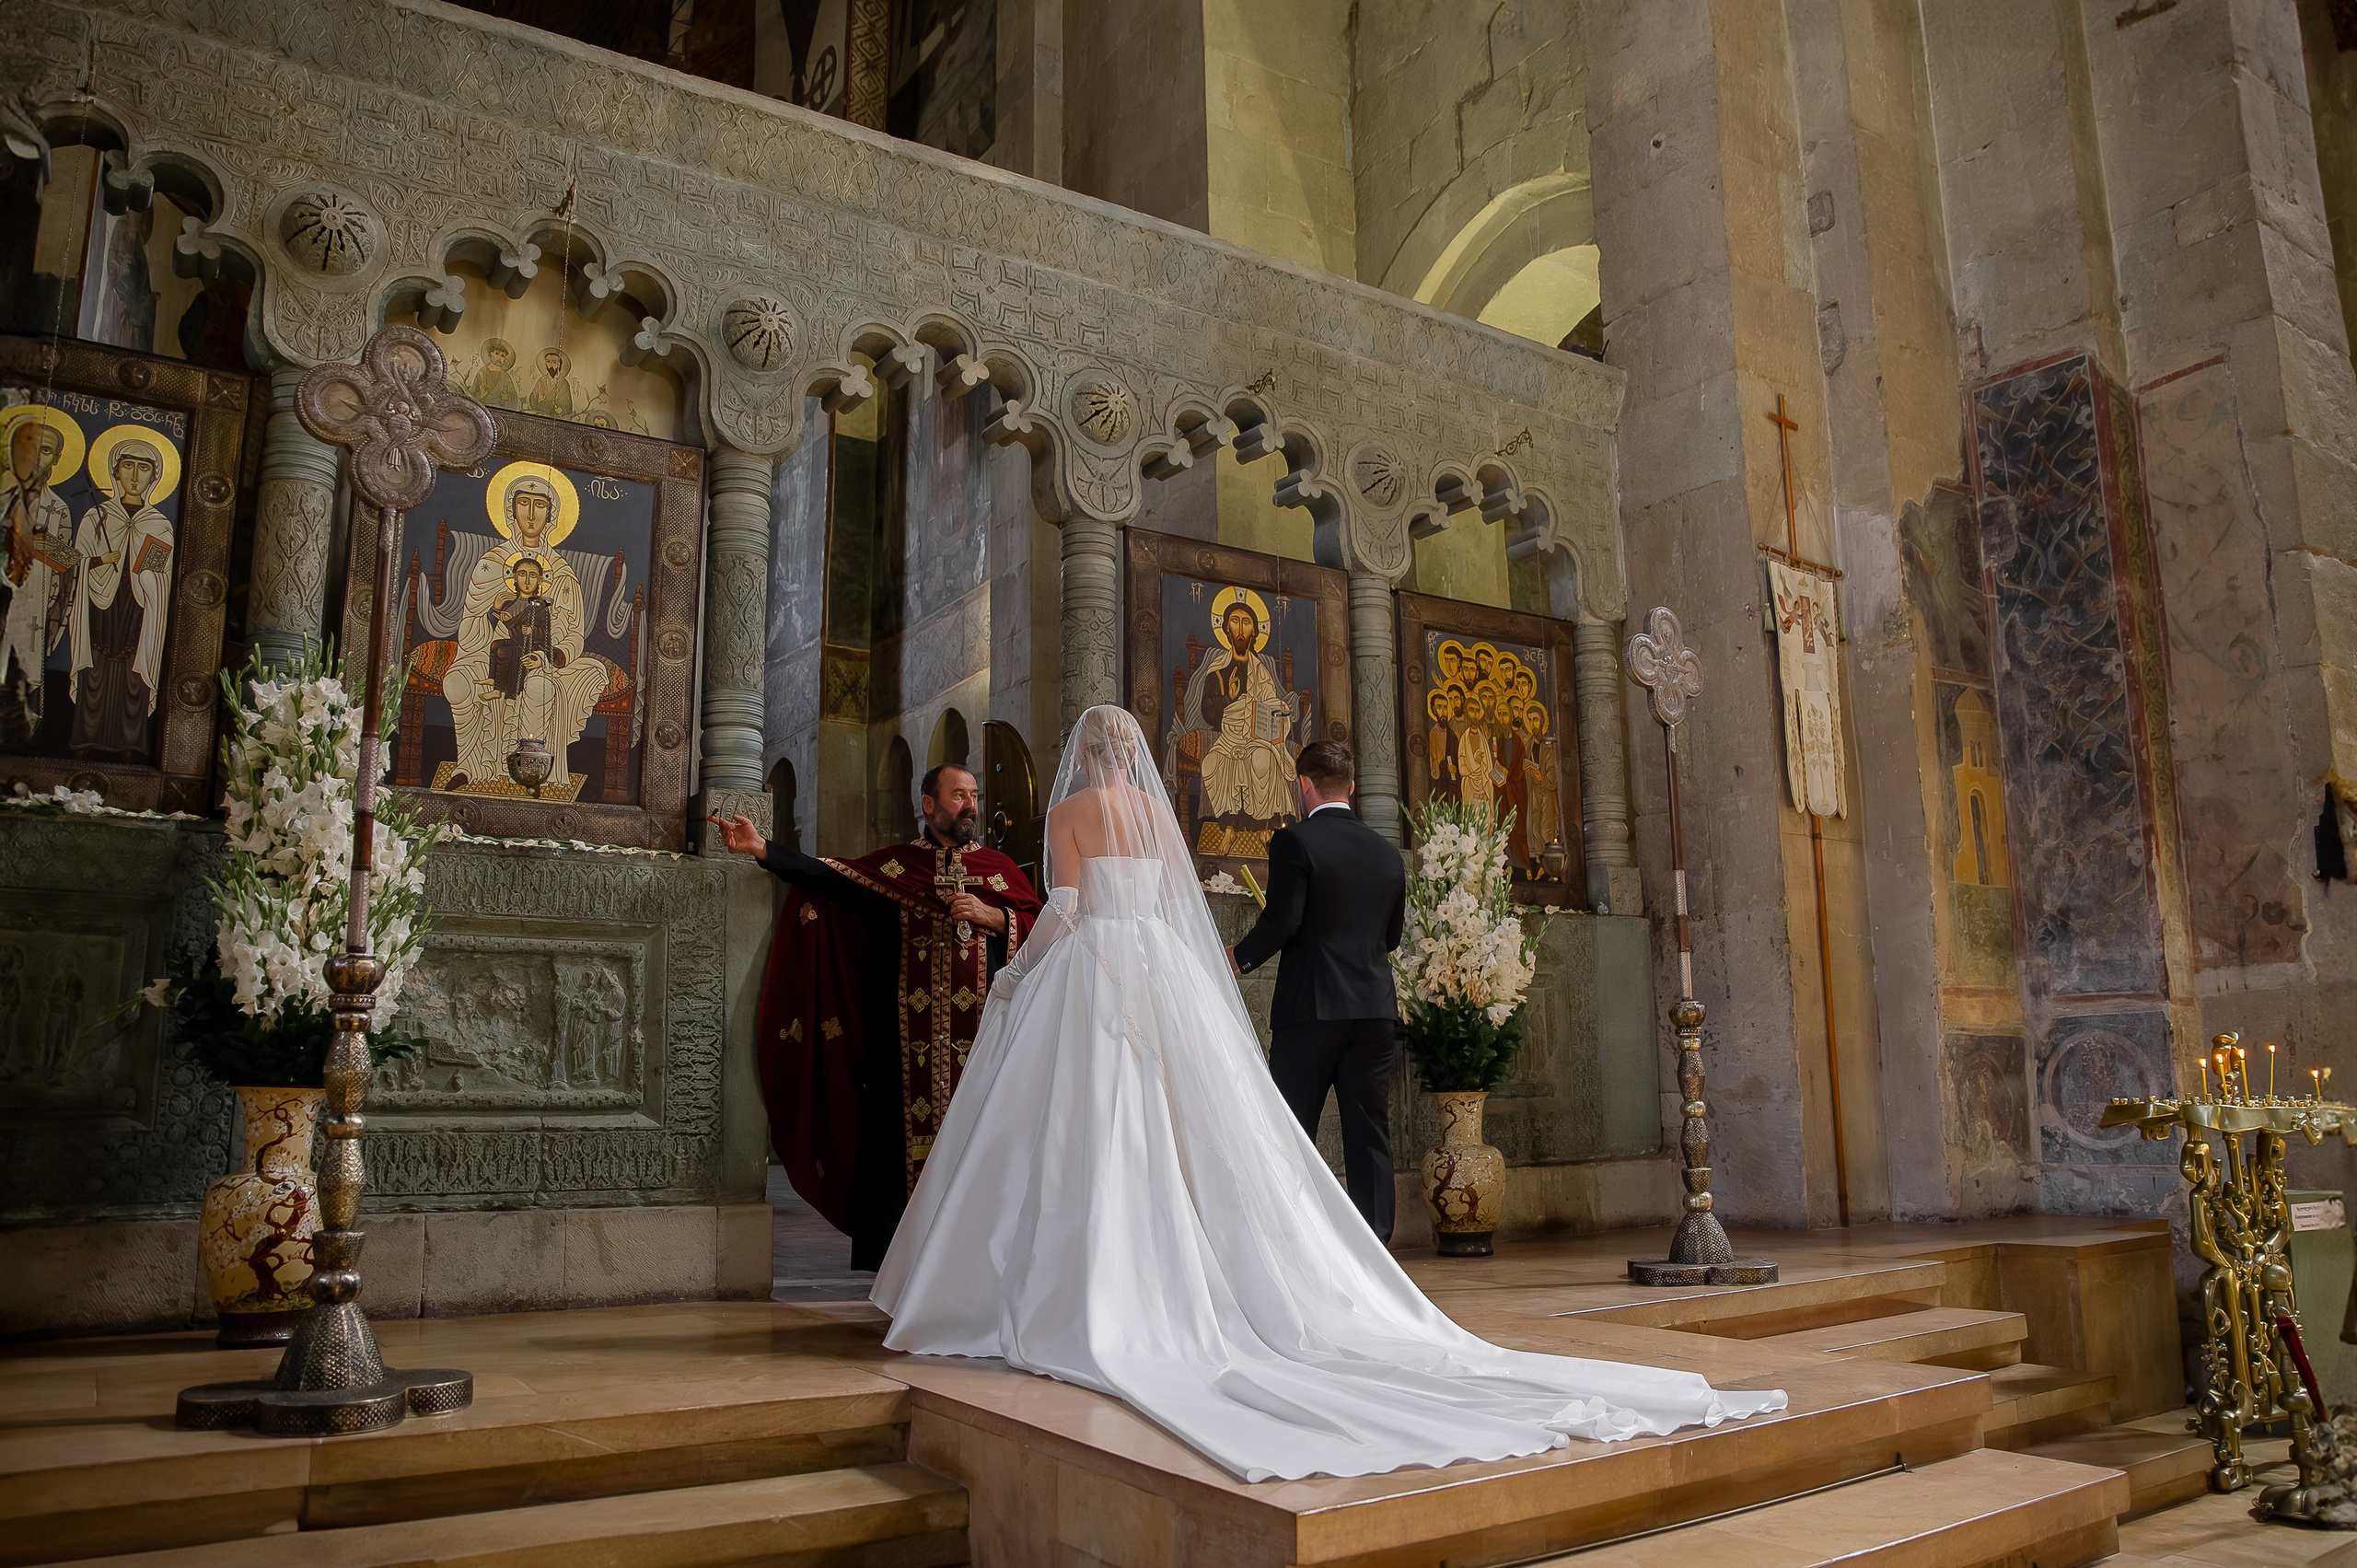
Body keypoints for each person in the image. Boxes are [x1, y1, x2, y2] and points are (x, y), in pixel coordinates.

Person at [873, 705, 1786, 1483]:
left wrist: (1019, 973)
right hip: (1188, 979)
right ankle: (1312, 1259)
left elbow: (1069, 908)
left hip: (1118, 974)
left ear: (1084, 755)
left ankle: (1098, 1276)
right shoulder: (1167, 816)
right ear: (1134, 757)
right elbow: (1206, 912)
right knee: (1224, 1130)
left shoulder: (1081, 810)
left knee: (1100, 1127)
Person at [710, 762, 1041, 1270]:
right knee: (894, 1150)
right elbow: (831, 877)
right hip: (904, 1050)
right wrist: (762, 850)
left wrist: (992, 915)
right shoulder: (898, 866)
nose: (970, 804)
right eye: (958, 795)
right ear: (928, 804)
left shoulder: (1001, 869)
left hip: (986, 1044)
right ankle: (903, 1269)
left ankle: (981, 1268)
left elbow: (1043, 930)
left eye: (973, 794)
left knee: (984, 1145)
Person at [1227, 739, 1405, 1240]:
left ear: (1304, 784)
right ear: (1352, 788)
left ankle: (1291, 1243)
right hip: (1373, 1012)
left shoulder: (1295, 842)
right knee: (1369, 1134)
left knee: (1290, 1129)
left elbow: (1283, 920)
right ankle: (1376, 1252)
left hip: (1312, 1009)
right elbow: (1390, 937)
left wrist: (1236, 959)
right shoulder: (1388, 854)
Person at [440, 473, 604, 792]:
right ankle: (469, 766)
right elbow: (470, 632)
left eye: (540, 505)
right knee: (457, 681)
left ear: (552, 515)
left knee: (540, 686)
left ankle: (532, 772)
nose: (531, 514)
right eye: (523, 504)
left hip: (538, 663)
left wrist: (546, 657)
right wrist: (492, 612)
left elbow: (573, 635)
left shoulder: (562, 574)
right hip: (488, 656)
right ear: (510, 510)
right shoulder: (491, 564)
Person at [67, 436, 173, 760]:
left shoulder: (159, 525)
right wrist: (100, 561)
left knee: (132, 672)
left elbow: (160, 574)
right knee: (95, 669)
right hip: (99, 606)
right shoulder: (94, 517)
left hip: (138, 606)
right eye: (128, 466)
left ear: (154, 477)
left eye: (144, 469)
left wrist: (145, 572)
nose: (135, 475)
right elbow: (75, 563)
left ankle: (130, 742)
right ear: (115, 471)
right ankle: (86, 737)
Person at [0, 414, 73, 727]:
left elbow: (66, 563)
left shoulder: (58, 510)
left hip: (31, 610)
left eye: (45, 451)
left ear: (56, 459)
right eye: (27, 447)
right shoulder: (4, 499)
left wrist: (32, 538)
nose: (34, 457)